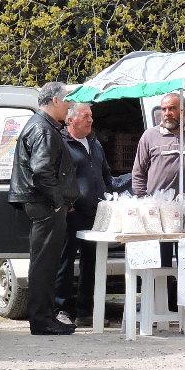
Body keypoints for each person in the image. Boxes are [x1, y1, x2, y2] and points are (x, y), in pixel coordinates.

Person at [131, 92, 185, 325]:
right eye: (164, 109)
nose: (167, 113)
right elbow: (138, 173)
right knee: (157, 263)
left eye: (172, 109)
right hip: (159, 215)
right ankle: (156, 310)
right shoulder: (149, 136)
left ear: (184, 111)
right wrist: (143, 202)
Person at [8, 83, 80, 335]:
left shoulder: (43, 126)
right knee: (44, 264)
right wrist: (59, 201)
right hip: (45, 205)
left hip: (44, 203)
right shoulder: (43, 129)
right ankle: (42, 320)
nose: (70, 105)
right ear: (56, 101)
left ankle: (45, 317)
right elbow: (42, 172)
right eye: (67, 100)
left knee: (45, 262)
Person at [56, 102, 126, 325]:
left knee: (92, 262)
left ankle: (85, 312)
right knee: (65, 262)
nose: (91, 120)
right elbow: (54, 176)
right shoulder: (61, 143)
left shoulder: (94, 143)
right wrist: (65, 204)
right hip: (70, 213)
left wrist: (111, 195)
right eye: (85, 116)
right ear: (71, 120)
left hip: (95, 214)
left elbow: (106, 175)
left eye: (91, 116)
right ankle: (61, 310)